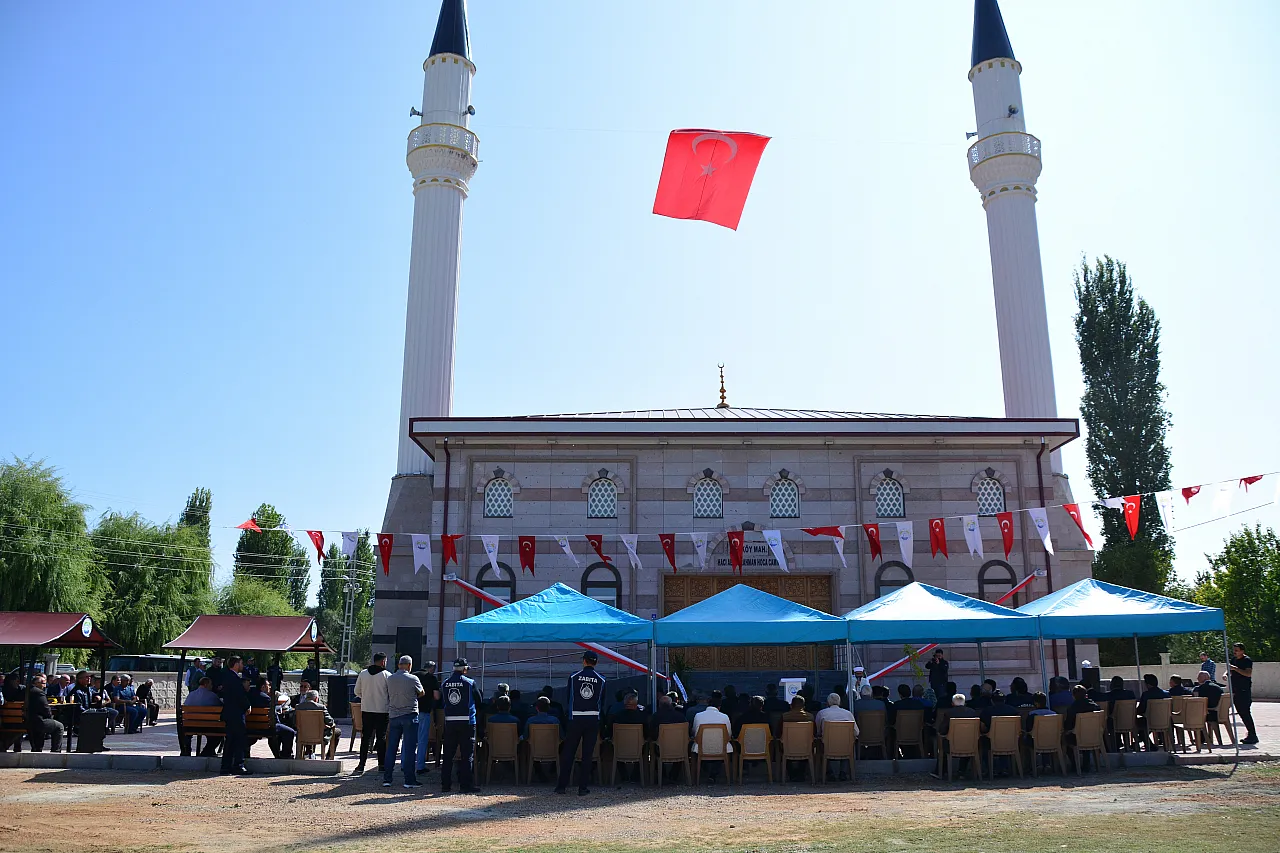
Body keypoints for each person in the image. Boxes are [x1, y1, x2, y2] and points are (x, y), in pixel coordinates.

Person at [557, 650, 604, 795]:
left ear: (584, 661)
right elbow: (602, 701)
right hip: (593, 718)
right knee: (587, 754)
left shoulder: (574, 677)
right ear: (595, 663)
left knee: (569, 752)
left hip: (575, 717)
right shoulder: (602, 679)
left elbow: (569, 697)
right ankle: (582, 787)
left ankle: (561, 786)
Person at [439, 658, 482, 794]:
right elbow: (479, 700)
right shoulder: (470, 683)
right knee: (466, 755)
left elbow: (442, 702)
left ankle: (445, 785)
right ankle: (465, 785)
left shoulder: (445, 683)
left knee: (447, 755)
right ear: (465, 669)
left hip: (450, 722)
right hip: (467, 722)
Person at [382, 655, 424, 789]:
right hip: (409, 715)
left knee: (391, 749)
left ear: (399, 665)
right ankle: (409, 780)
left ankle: (387, 779)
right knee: (410, 749)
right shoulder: (413, 678)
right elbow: (421, 692)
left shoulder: (390, 678)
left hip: (394, 716)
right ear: (409, 665)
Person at [353, 653, 391, 776]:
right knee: (381, 738)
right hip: (382, 710)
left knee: (365, 738)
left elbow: (356, 691)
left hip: (367, 709)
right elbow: (390, 693)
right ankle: (382, 765)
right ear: (383, 662)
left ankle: (361, 764)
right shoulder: (387, 675)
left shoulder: (363, 673)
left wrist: (365, 698)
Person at [931, 693, 979, 779]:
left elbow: (942, 730)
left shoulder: (949, 713)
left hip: (952, 746)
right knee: (966, 742)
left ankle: (940, 771)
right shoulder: (973, 712)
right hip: (970, 745)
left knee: (943, 745)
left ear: (952, 704)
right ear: (964, 703)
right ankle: (962, 771)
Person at [218, 656, 251, 775]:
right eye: (241, 663)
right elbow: (239, 696)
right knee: (239, 739)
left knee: (230, 740)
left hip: (228, 713)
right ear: (236, 664)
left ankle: (225, 767)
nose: (242, 666)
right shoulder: (234, 679)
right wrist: (247, 705)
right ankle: (238, 765)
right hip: (236, 714)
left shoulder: (227, 677)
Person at [690, 691, 732, 784]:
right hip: (720, 748)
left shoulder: (698, 716)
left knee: (697, 749)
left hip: (701, 747)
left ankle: (704, 773)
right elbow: (728, 735)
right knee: (721, 747)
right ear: (719, 707)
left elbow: (694, 731)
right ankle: (713, 774)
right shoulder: (725, 717)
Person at [814, 693, 857, 782]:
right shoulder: (848, 714)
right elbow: (857, 732)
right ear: (839, 702)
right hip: (845, 747)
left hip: (828, 747)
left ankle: (829, 772)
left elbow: (818, 732)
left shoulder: (822, 713)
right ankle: (843, 772)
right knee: (848, 743)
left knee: (821, 744)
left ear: (827, 703)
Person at [180, 676, 223, 757]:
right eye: (211, 684)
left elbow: (186, 706)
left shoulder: (191, 694)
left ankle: (186, 751)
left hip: (190, 725)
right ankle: (207, 752)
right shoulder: (212, 696)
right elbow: (221, 707)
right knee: (219, 733)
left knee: (186, 734)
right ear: (206, 684)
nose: (212, 686)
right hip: (208, 726)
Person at [412, 660, 440, 776]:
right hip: (424, 710)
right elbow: (436, 696)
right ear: (432, 669)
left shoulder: (413, 676)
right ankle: (420, 766)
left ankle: (404, 764)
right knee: (422, 740)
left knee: (409, 740)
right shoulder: (431, 678)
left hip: (411, 710)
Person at [24, 674, 64, 752]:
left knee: (40, 726)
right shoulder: (39, 692)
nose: (45, 686)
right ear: (36, 683)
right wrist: (50, 717)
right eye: (43, 683)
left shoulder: (25, 690)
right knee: (59, 726)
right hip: (36, 721)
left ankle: (37, 749)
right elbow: (46, 709)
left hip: (23, 720)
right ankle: (55, 751)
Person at [296, 690, 340, 757]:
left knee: (309, 729)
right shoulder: (321, 707)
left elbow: (294, 721)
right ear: (316, 698)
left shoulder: (298, 707)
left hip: (303, 734)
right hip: (319, 734)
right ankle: (329, 755)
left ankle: (307, 753)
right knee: (337, 731)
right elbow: (330, 722)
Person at [1229, 642, 1258, 744]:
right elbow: (1230, 670)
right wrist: (1226, 674)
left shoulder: (1247, 660)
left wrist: (1235, 669)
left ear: (1242, 651)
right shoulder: (1234, 660)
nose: (1235, 652)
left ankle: (1253, 735)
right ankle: (1250, 734)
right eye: (1234, 650)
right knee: (1241, 713)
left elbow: (1248, 673)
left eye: (1237, 650)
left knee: (1245, 712)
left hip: (1244, 690)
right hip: (1236, 690)